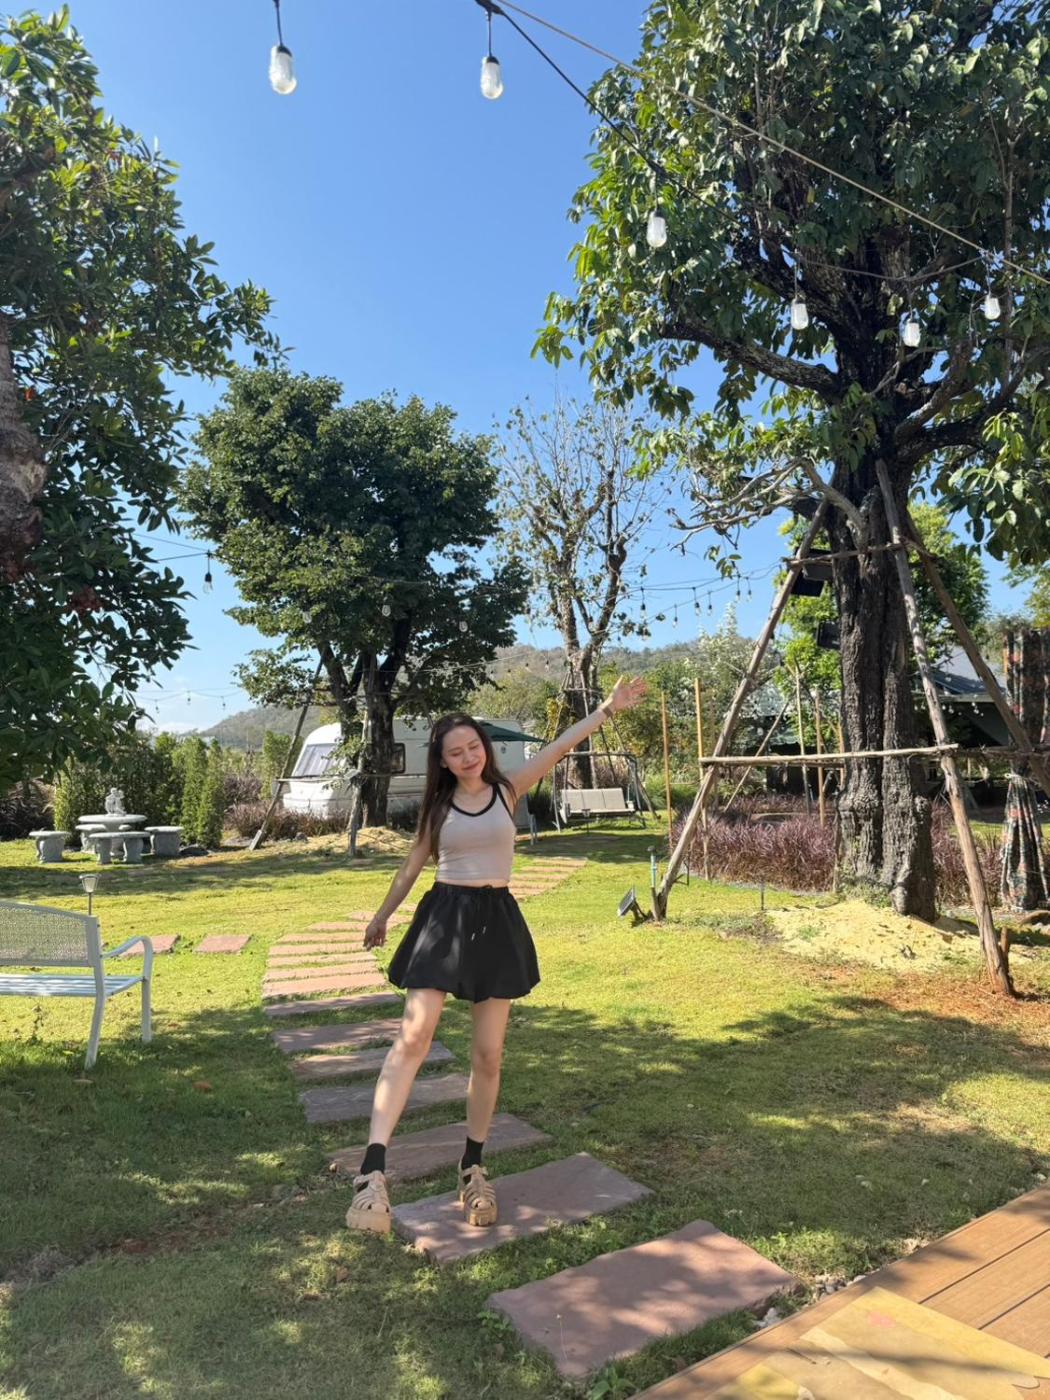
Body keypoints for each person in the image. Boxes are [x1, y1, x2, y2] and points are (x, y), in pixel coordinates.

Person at [346, 674, 647, 1235]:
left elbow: (559, 748)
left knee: (488, 1055)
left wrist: (607, 709)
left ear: (484, 747)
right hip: (444, 917)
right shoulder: (437, 808)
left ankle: (473, 1166)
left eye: (473, 746)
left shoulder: (508, 790)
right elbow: (412, 866)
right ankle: (372, 1172)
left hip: (496, 920)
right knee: (414, 1036)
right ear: (442, 761)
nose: (467, 757)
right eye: (455, 752)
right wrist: (383, 915)